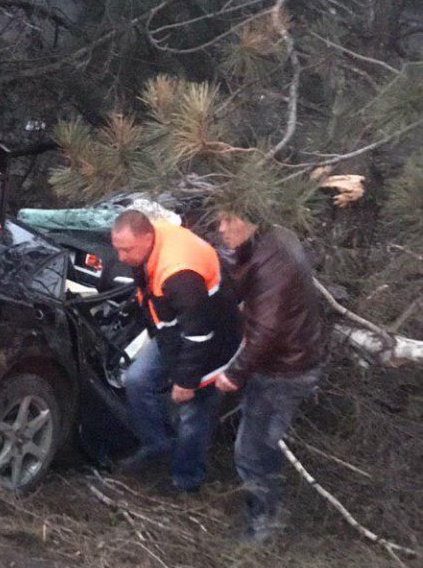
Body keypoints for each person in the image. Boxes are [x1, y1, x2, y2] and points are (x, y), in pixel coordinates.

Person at [111, 209, 243, 493]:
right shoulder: (151, 241)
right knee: (138, 380)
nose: (121, 259)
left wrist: (186, 381)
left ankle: (186, 479)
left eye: (127, 250)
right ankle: (159, 446)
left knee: (194, 412)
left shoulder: (180, 274)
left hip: (213, 343)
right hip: (176, 331)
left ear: (147, 238)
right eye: (117, 250)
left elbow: (199, 334)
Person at [214, 211, 326, 540]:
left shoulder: (273, 265)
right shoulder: (273, 239)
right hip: (293, 357)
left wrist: (234, 374)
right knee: (263, 440)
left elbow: (267, 331)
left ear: (250, 220)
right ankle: (265, 509)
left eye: (227, 220)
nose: (220, 229)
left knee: (254, 449)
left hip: (285, 370)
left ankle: (265, 522)